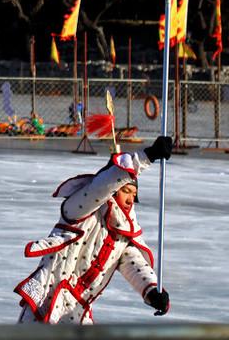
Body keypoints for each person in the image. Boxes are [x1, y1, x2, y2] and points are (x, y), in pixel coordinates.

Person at [15, 136, 174, 324]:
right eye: (126, 191)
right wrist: (147, 156)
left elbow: (134, 264)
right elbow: (99, 188)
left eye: (134, 194)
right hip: (46, 302)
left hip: (77, 310)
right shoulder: (79, 208)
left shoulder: (123, 233)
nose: (131, 200)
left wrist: (152, 291)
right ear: (113, 190)